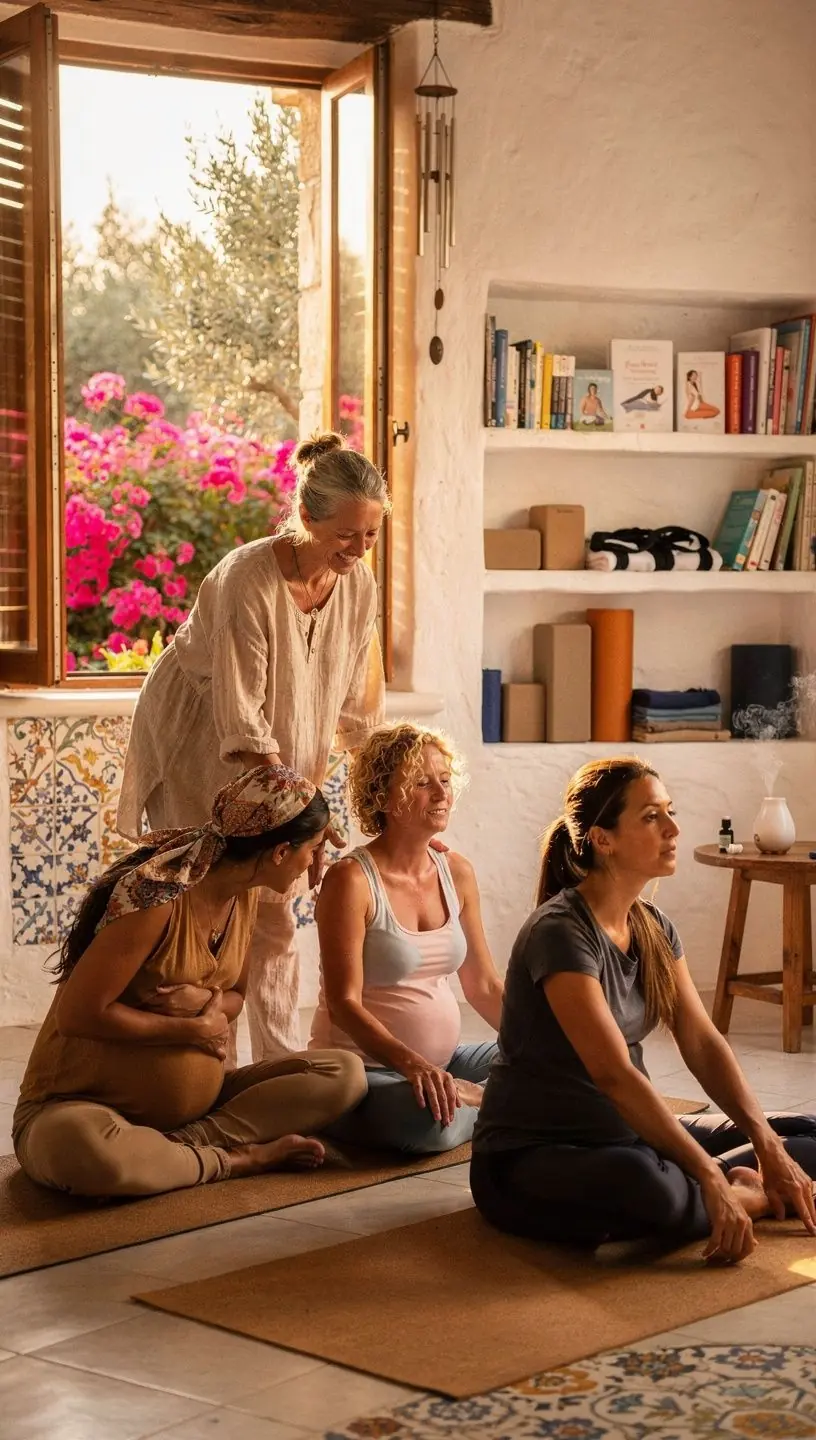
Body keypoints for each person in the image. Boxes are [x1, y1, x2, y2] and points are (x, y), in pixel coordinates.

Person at [470, 757, 816, 1264]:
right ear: (602, 839)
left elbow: (700, 1042)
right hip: (531, 1158)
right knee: (650, 1190)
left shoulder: (652, 925)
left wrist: (766, 1144)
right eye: (651, 817)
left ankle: (733, 1180)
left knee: (803, 1136)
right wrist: (706, 1173)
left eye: (669, 812)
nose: (673, 829)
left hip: (631, 1137)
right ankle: (749, 1194)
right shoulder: (561, 932)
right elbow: (613, 1075)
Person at [118, 431, 388, 1062]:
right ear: (305, 517)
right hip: (205, 742)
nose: (358, 549)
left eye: (371, 535)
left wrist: (379, 811)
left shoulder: (359, 586)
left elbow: (357, 710)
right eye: (346, 534)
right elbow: (241, 719)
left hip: (280, 753)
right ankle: (194, 1065)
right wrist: (303, 820)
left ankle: (278, 1068)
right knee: (205, 903)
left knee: (275, 909)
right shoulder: (248, 578)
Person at [13, 767, 367, 1198]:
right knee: (92, 1155)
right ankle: (236, 1158)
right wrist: (191, 1028)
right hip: (77, 1108)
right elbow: (77, 1015)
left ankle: (179, 1150)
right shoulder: (158, 899)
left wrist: (205, 1002)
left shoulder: (246, 893)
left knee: (344, 1073)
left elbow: (236, 994)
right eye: (311, 850)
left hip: (199, 1108)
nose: (315, 862)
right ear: (278, 852)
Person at [310, 724, 504, 1153]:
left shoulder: (457, 873)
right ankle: (499, 1105)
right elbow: (344, 1005)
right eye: (422, 782)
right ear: (382, 798)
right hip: (369, 1072)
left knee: (558, 1061)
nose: (441, 793)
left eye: (445, 780)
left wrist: (552, 1046)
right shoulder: (351, 880)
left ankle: (476, 1099)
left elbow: (485, 986)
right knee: (427, 1123)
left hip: (445, 1065)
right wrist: (413, 1066)